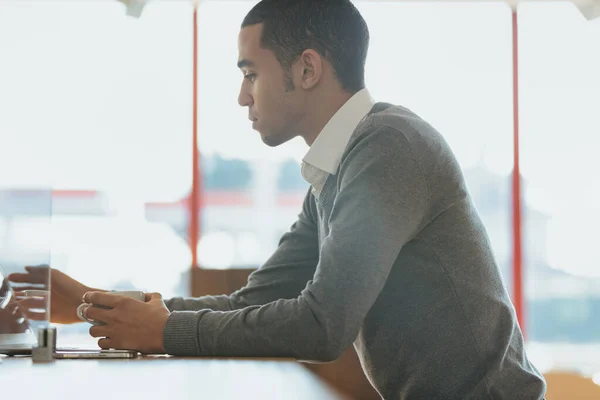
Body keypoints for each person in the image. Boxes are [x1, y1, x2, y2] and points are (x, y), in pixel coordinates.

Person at [10, 1, 547, 398]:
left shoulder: (388, 147)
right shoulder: (339, 170)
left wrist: (164, 329)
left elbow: (321, 326)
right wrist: (97, 304)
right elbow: (253, 302)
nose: (242, 95)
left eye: (250, 73)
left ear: (306, 69)